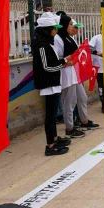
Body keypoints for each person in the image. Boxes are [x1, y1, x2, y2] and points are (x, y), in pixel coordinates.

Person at [32, 13, 72, 156]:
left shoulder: (48, 42)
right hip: (48, 84)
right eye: (54, 28)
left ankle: (55, 139)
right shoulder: (41, 45)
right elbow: (47, 67)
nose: (56, 31)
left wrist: (63, 61)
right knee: (50, 116)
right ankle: (50, 145)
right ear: (47, 29)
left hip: (54, 82)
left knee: (53, 115)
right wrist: (64, 62)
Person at [54, 14, 98, 138]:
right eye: (69, 25)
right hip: (66, 74)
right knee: (69, 101)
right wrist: (68, 62)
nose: (71, 27)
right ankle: (70, 128)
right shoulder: (58, 38)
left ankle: (84, 121)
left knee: (82, 97)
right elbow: (58, 59)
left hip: (74, 73)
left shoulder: (69, 38)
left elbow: (77, 51)